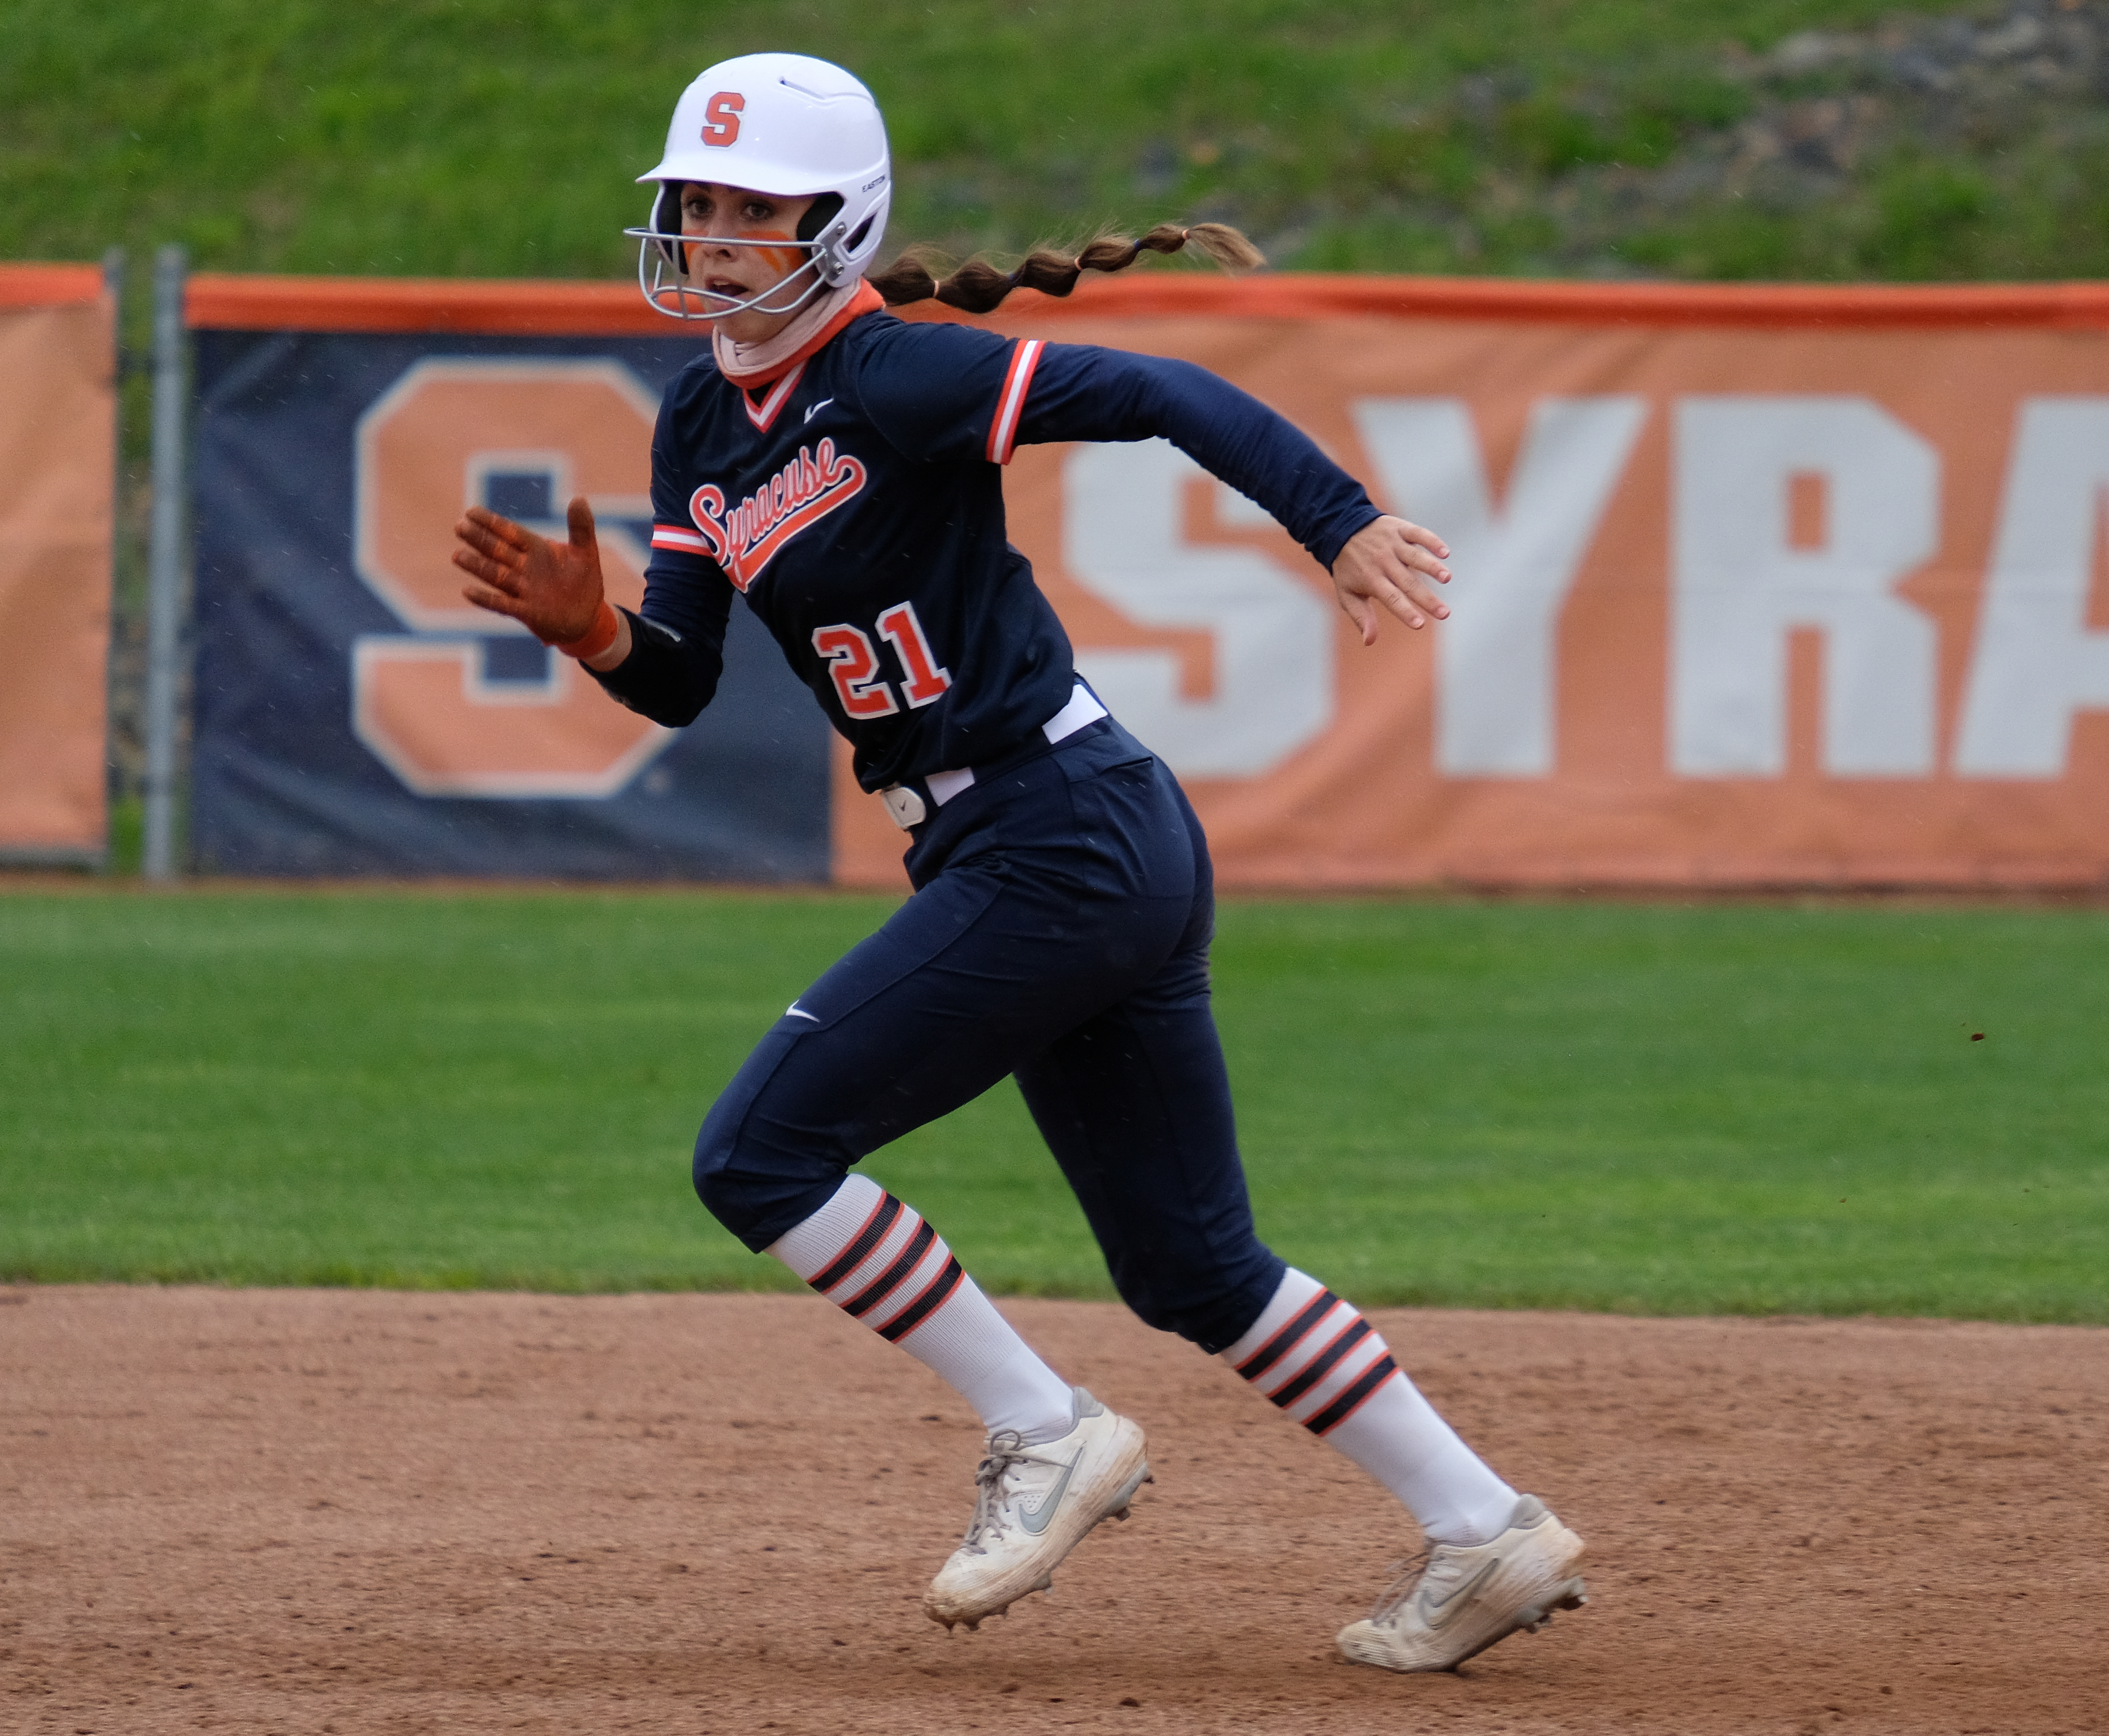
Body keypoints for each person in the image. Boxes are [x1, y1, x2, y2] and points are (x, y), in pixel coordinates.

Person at [450, 52, 1588, 1672]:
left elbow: (1163, 394)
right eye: (693, 203)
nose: (709, 236)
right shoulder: (702, 420)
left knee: (756, 1159)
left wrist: (1335, 519)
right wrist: (596, 633)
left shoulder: (893, 375)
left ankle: (1044, 1432)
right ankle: (1486, 1534)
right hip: (1064, 836)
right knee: (1193, 1267)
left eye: (750, 208)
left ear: (837, 228)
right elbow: (682, 674)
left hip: (1057, 832)